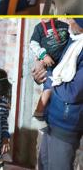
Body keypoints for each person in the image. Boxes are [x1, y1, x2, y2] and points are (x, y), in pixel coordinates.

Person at [32, 18, 83, 170]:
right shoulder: (73, 41)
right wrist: (39, 77)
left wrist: (50, 79)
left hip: (66, 124)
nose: (69, 22)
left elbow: (73, 93)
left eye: (73, 19)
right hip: (52, 119)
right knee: (44, 165)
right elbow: (55, 71)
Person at [29, 19, 69, 119]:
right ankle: (39, 112)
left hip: (65, 63)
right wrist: (43, 55)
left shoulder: (64, 25)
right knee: (49, 85)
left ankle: (59, 115)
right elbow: (33, 44)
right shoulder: (39, 27)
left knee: (61, 88)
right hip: (49, 64)